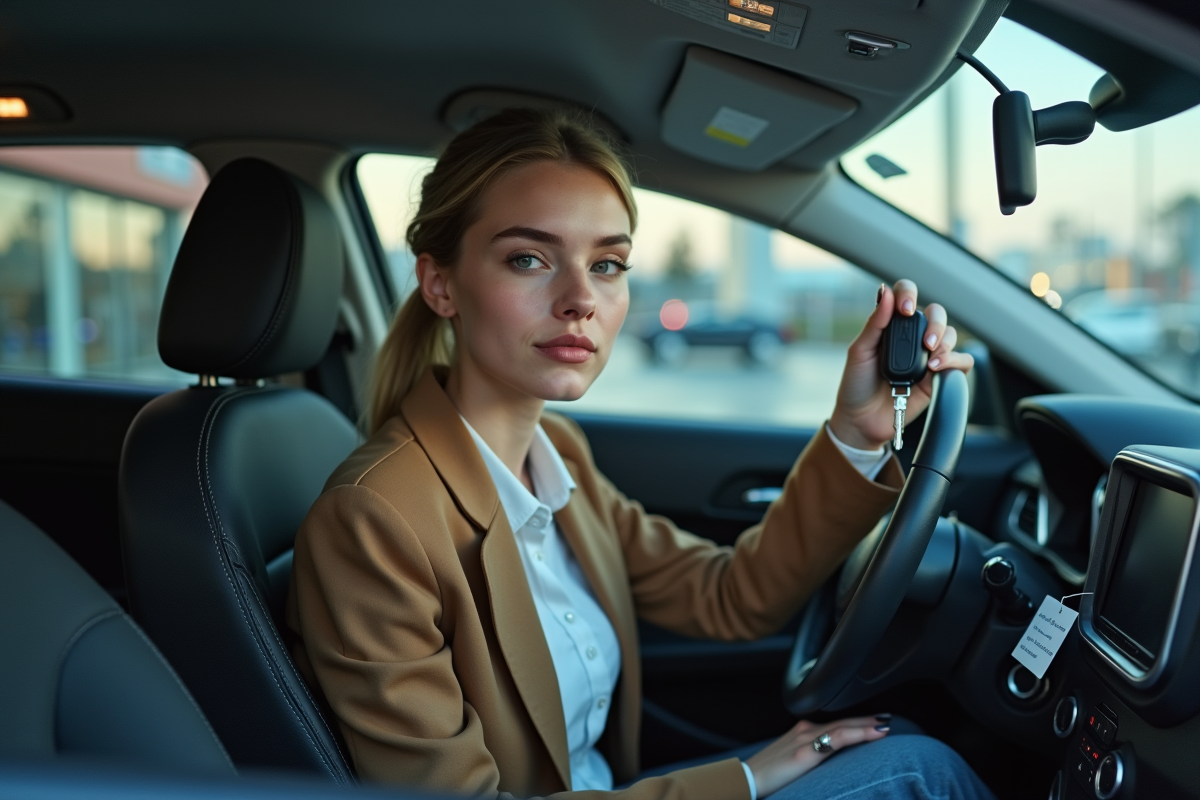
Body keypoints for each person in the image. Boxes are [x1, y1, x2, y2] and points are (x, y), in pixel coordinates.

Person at [286, 107, 992, 800]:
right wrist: (745, 781)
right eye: (528, 259)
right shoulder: (373, 520)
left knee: (899, 741)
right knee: (920, 772)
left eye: (609, 264)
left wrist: (859, 429)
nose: (580, 299)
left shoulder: (555, 452)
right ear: (440, 283)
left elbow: (730, 598)